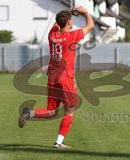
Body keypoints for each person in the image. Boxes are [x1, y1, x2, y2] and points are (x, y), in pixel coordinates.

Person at [18, 6, 94, 149]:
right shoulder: (72, 36)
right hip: (65, 78)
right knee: (70, 109)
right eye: (71, 21)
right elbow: (90, 25)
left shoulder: (52, 35)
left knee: (52, 112)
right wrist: (85, 13)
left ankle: (29, 114)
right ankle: (58, 143)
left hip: (52, 76)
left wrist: (67, 14)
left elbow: (57, 23)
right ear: (69, 23)